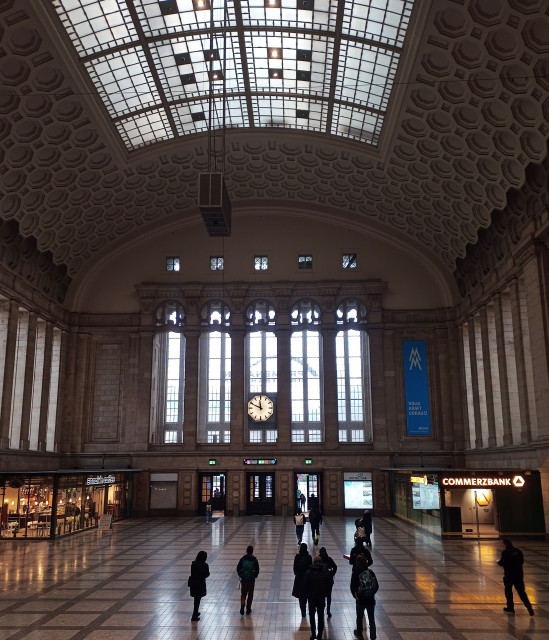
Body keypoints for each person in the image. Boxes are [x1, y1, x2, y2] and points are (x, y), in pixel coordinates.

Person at [497, 538, 534, 615]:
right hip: (518, 574)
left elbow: (502, 562)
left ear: (505, 544)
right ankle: (528, 606)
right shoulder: (518, 551)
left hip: (509, 575)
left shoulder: (506, 552)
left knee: (508, 591)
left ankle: (510, 607)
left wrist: (499, 562)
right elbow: (522, 561)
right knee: (521, 591)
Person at [350, 553, 379, 640]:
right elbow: (376, 586)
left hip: (361, 599)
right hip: (370, 600)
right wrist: (371, 593)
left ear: (358, 562)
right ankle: (373, 636)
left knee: (359, 618)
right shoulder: (371, 572)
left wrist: (356, 596)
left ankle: (360, 634)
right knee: (371, 620)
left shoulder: (356, 573)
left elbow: (352, 586)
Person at [303, 555, 330, 640]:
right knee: (321, 616)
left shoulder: (309, 571)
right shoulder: (324, 571)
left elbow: (305, 586)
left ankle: (313, 633)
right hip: (321, 597)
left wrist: (307, 596)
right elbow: (329, 584)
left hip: (311, 598)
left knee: (312, 616)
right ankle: (320, 635)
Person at [236, 544, 260, 615]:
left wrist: (241, 575)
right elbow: (257, 570)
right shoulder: (254, 560)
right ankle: (248, 609)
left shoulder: (243, 559)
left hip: (244, 580)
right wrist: (254, 576)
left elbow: (238, 568)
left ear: (246, 551)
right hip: (251, 580)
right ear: (252, 551)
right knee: (250, 595)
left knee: (243, 594)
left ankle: (243, 603)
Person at [292, 542, 313, 618]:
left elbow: (294, 569)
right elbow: (311, 569)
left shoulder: (297, 557)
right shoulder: (309, 557)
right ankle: (306, 608)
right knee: (307, 595)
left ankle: (303, 611)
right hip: (307, 580)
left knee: (301, 597)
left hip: (299, 580)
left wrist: (298, 574)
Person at [188, 550, 210, 621]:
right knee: (197, 600)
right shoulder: (205, 565)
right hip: (200, 585)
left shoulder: (193, 564)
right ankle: (194, 616)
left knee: (196, 600)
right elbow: (207, 574)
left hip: (193, 584)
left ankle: (196, 612)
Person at [319, 547, 337, 617]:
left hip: (320, 581)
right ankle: (328, 611)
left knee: (322, 596)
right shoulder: (329, 559)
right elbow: (335, 566)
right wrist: (332, 574)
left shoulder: (319, 559)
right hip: (329, 580)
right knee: (329, 596)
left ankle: (322, 609)